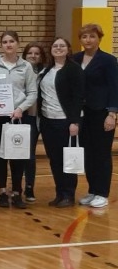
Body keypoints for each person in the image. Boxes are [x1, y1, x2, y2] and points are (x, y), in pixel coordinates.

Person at [0, 31, 37, 208]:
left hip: (18, 116)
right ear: (1, 45)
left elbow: (32, 93)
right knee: (1, 155)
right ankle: (3, 192)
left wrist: (20, 109)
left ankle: (17, 192)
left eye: (11, 41)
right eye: (5, 42)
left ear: (17, 43)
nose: (8, 44)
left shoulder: (26, 66)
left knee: (17, 156)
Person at [74, 23, 118, 208]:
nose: (88, 40)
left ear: (99, 38)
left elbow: (114, 87)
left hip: (101, 113)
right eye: (84, 37)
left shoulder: (108, 60)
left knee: (101, 153)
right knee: (88, 153)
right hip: (82, 114)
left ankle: (102, 193)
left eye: (92, 36)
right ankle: (92, 190)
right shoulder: (75, 58)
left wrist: (112, 113)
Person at [37, 37, 84, 208]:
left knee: (67, 159)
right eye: (55, 46)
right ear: (51, 50)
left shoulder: (74, 69)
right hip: (48, 121)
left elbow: (78, 97)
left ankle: (68, 194)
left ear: (68, 49)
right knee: (54, 159)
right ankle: (59, 193)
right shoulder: (46, 70)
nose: (58, 48)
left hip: (65, 121)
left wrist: (75, 122)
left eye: (62, 46)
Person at [21, 41, 46, 201]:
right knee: (23, 153)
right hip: (22, 115)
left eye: (37, 53)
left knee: (30, 153)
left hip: (40, 117)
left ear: (41, 56)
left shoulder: (46, 73)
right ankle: (21, 187)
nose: (33, 56)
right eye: (30, 53)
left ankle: (30, 186)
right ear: (25, 55)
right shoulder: (20, 71)